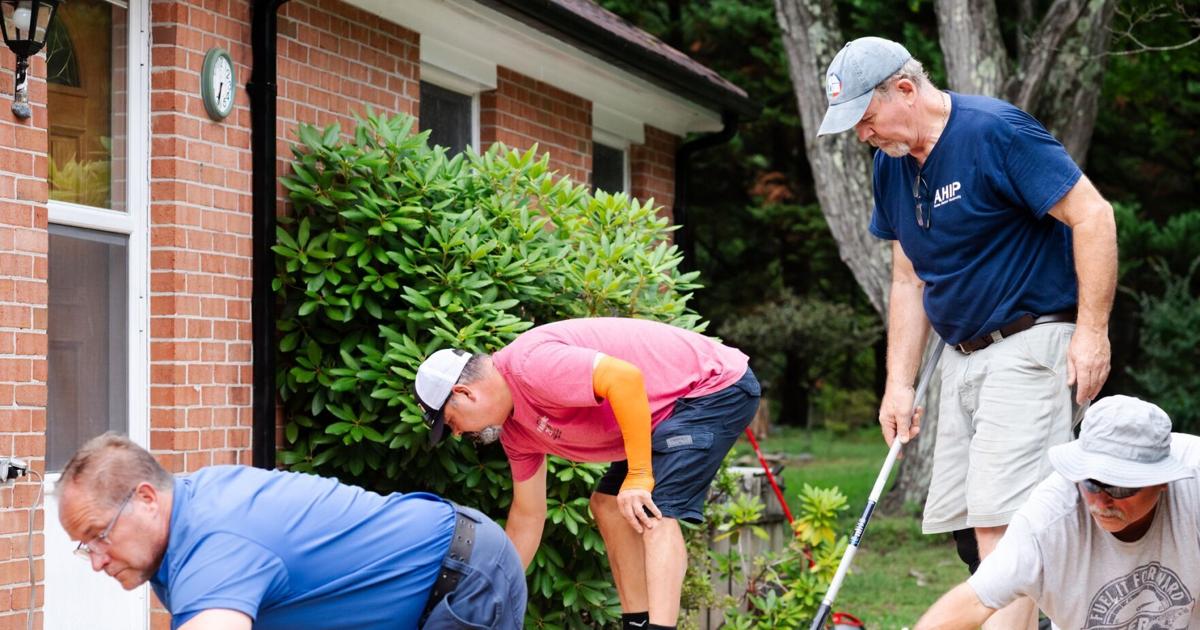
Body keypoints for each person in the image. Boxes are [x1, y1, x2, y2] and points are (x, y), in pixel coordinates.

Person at [816, 37, 1118, 628]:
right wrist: (898, 384)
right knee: (966, 525)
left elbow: (1093, 215)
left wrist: (1092, 331)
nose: (863, 135)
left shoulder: (996, 132)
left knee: (1003, 524)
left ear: (905, 89)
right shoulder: (891, 167)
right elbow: (908, 278)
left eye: (866, 117)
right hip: (958, 358)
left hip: (1028, 344)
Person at [414, 317, 760, 630]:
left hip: (711, 388)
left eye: (452, 423)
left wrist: (639, 475)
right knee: (608, 504)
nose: (458, 434)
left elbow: (624, 378)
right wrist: (493, 592)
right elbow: (528, 516)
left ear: (464, 393)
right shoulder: (517, 431)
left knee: (654, 506)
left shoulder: (529, 365)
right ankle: (636, 624)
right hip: (659, 415)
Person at [56, 433, 526, 630]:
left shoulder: (215, 548)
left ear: (145, 498)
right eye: (84, 547)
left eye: (99, 535)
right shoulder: (187, 512)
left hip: (463, 578)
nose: (96, 559)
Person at [915, 395, 1200, 629]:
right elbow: (974, 602)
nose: (1101, 503)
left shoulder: (1194, 483)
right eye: (1090, 482)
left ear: (1162, 480)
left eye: (1119, 488)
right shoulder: (1047, 519)